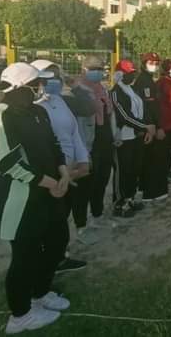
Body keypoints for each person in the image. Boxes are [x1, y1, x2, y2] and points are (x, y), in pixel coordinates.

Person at [0, 63, 71, 334]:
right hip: (21, 199)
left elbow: (53, 144)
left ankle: (40, 293)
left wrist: (63, 172)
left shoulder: (38, 111)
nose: (41, 87)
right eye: (36, 84)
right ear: (21, 87)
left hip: (51, 193)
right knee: (25, 257)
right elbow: (9, 163)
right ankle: (20, 316)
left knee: (57, 243)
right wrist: (51, 183)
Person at [30, 60, 96, 259]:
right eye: (49, 76)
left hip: (70, 170)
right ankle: (49, 259)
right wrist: (60, 171)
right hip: (51, 173)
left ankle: (59, 256)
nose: (55, 80)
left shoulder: (60, 101)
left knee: (62, 216)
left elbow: (74, 133)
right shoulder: (32, 107)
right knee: (49, 218)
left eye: (57, 76)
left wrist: (83, 160)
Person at [73, 55, 116, 229]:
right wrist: (83, 151)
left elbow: (109, 114)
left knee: (102, 179)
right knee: (85, 184)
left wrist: (115, 136)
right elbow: (78, 123)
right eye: (93, 68)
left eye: (100, 68)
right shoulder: (78, 91)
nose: (98, 72)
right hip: (89, 142)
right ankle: (81, 224)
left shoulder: (102, 88)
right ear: (83, 69)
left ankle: (97, 214)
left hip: (105, 139)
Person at [110, 59, 155, 217]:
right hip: (123, 138)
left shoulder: (132, 89)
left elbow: (143, 108)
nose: (132, 76)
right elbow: (124, 116)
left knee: (135, 168)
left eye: (133, 73)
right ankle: (120, 203)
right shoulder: (116, 92)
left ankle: (130, 198)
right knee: (123, 171)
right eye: (128, 73)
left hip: (136, 136)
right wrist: (145, 127)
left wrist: (148, 126)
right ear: (119, 74)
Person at [133, 52, 167, 203]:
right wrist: (155, 127)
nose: (154, 66)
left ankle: (144, 188)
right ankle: (150, 191)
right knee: (151, 160)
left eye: (156, 63)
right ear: (143, 64)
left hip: (149, 124)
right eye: (151, 63)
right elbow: (148, 107)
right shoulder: (144, 81)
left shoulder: (148, 79)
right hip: (150, 126)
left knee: (148, 159)